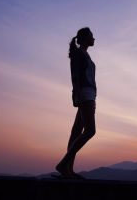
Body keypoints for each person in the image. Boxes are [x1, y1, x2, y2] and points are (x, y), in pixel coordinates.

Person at [56, 27, 97, 179]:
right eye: (92, 36)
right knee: (90, 131)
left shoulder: (84, 54)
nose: (94, 38)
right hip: (85, 95)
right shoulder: (79, 54)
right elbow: (75, 76)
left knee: (76, 132)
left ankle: (68, 170)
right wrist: (78, 95)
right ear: (86, 38)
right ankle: (63, 164)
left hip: (89, 95)